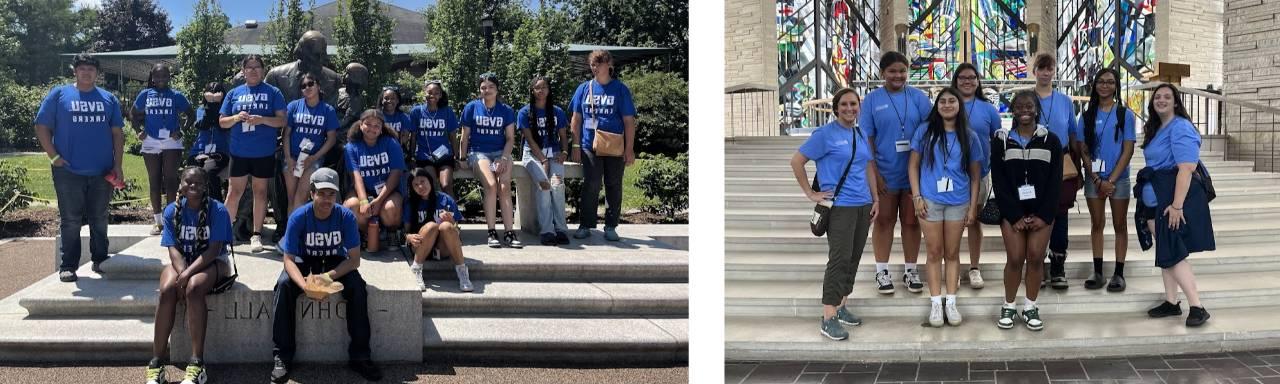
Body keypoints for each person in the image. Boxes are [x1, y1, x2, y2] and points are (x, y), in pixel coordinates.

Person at [271, 167, 381, 383]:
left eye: (331, 194)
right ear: (312, 193)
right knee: (283, 286)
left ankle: (360, 356)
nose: (326, 199)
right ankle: (282, 356)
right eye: (321, 193)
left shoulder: (346, 217)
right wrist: (305, 286)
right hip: (304, 262)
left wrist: (327, 278)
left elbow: (354, 260)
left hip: (333, 262)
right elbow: (288, 260)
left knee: (358, 288)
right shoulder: (298, 217)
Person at [790, 87, 878, 341]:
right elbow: (796, 161)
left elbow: (868, 167)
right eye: (844, 105)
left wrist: (876, 198)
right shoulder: (824, 135)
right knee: (839, 260)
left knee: (853, 259)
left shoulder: (859, 133)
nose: (850, 109)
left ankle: (841, 306)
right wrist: (811, 193)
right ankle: (828, 317)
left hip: (863, 205)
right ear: (836, 108)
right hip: (839, 207)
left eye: (854, 104)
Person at [35, 53, 125, 283]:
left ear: (97, 73)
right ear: (75, 70)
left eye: (91, 69)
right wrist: (53, 157)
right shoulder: (59, 94)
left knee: (99, 218)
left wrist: (118, 165)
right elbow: (41, 126)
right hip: (68, 171)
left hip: (102, 171)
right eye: (82, 68)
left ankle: (100, 259)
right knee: (71, 219)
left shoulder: (108, 99)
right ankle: (68, 265)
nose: (87, 72)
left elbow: (117, 133)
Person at [146, 167, 232, 384]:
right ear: (181, 185)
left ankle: (196, 364)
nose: (193, 186)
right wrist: (182, 272)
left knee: (193, 288)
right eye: (188, 182)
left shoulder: (218, 210)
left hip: (214, 263)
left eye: (198, 183)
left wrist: (186, 275)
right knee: (166, 290)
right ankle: (156, 364)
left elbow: (214, 251)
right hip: (182, 262)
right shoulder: (171, 211)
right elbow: (172, 248)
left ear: (205, 186)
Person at [1137, 83, 1213, 327]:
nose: (1161, 100)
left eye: (1167, 97)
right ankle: (1171, 302)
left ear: (1176, 102)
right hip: (1156, 195)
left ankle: (1197, 306)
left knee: (1174, 250)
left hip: (1172, 197)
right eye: (1157, 97)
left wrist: (1177, 206)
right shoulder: (1158, 127)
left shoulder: (1180, 127)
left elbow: (1187, 168)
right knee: (1166, 249)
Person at [908, 88, 984, 327]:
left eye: (952, 101)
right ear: (936, 105)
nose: (948, 105)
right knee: (933, 252)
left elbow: (975, 176)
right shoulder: (924, 131)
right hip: (930, 200)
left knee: (951, 253)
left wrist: (972, 207)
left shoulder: (969, 136)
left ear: (959, 105)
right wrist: (916, 196)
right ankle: (935, 302)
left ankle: (951, 302)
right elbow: (913, 166)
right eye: (943, 101)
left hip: (958, 201)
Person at [990, 91, 1063, 331]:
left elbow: (1055, 181)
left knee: (1035, 258)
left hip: (1042, 212)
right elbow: (999, 181)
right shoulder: (1000, 140)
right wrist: (1014, 215)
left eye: (1029, 105)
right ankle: (1009, 305)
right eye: (1019, 106)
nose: (1024, 110)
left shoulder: (1051, 140)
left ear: (1036, 109)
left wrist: (1043, 215)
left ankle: (1030, 306)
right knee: (1014, 259)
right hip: (1013, 213)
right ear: (1012, 109)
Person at [862, 51, 933, 294]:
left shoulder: (918, 98)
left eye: (902, 71)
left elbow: (931, 131)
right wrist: (875, 172)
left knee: (912, 222)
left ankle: (910, 270)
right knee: (884, 221)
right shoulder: (872, 100)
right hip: (885, 171)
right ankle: (882, 271)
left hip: (914, 173)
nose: (898, 75)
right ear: (882, 73)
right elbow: (867, 138)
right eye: (892, 71)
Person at [219, 54, 287, 253]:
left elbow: (282, 120)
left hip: (263, 152)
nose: (254, 70)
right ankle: (223, 234)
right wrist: (236, 117)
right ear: (243, 71)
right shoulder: (234, 93)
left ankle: (256, 235)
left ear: (263, 70)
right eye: (249, 67)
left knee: (260, 192)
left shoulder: (273, 92)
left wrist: (263, 120)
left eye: (257, 66)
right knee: (233, 193)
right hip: (239, 151)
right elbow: (222, 122)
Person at [1077, 68, 1136, 292]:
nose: (1105, 85)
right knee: (1097, 224)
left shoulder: (1125, 114)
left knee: (1120, 225)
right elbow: (1083, 150)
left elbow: (1128, 150)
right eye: (1101, 81)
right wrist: (1096, 178)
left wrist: (1110, 180)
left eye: (1110, 82)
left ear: (1116, 86)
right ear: (1095, 85)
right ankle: (1098, 271)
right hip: (1094, 178)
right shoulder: (1087, 115)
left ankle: (1118, 274)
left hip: (1118, 179)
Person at [570, 50, 637, 242]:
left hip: (614, 145)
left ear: (609, 65)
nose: (595, 67)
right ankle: (586, 224)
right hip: (589, 145)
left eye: (598, 63)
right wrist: (575, 145)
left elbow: (629, 121)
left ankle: (610, 226)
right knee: (591, 184)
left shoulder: (620, 89)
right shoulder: (584, 88)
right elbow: (576, 119)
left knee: (613, 185)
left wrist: (629, 149)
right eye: (592, 64)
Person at [1032, 53, 1083, 290]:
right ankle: (1036, 265)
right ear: (1034, 72)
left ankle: (1058, 265)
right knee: (1034, 211)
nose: (1045, 73)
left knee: (1060, 213)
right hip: (1033, 161)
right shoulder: (1026, 98)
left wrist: (1079, 165)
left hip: (1061, 160)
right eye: (1041, 69)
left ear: (1054, 71)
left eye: (1049, 68)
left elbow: (1073, 133)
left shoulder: (1064, 101)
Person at [459, 73, 523, 248]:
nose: (487, 90)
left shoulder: (506, 110)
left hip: (500, 153)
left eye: (491, 87)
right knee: (491, 184)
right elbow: (465, 136)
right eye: (483, 87)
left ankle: (509, 232)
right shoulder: (471, 107)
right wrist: (462, 158)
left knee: (504, 185)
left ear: (497, 89)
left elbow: (510, 138)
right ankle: (491, 231)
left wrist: (503, 158)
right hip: (478, 153)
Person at [951, 63, 1001, 289]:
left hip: (979, 175)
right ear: (955, 80)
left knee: (973, 221)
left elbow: (998, 142)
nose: (967, 81)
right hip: (951, 175)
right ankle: (952, 266)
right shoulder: (948, 104)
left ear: (978, 81)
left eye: (972, 77)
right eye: (962, 77)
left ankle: (974, 268)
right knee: (952, 222)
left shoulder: (988, 109)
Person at [132, 64, 196, 236]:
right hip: (150, 140)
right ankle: (157, 222)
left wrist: (182, 131)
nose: (160, 80)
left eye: (164, 76)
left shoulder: (176, 96)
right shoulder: (145, 94)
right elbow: (133, 115)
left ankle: (170, 220)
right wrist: (139, 131)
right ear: (152, 78)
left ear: (169, 77)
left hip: (171, 141)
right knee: (154, 180)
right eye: (157, 77)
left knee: (170, 180)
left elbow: (192, 114)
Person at [519, 75, 572, 245]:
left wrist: (564, 152)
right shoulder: (525, 112)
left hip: (554, 153)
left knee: (557, 186)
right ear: (532, 91)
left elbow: (563, 135)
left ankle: (561, 229)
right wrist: (543, 159)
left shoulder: (557, 112)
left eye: (544, 87)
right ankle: (547, 230)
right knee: (544, 185)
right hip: (533, 154)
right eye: (537, 88)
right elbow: (529, 139)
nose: (541, 91)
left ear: (549, 90)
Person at [343, 110, 405, 252]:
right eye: (368, 124)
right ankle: (367, 234)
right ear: (360, 125)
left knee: (390, 208)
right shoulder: (351, 147)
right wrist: (364, 201)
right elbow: (356, 176)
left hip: (387, 190)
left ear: (382, 128)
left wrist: (379, 200)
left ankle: (391, 232)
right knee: (353, 206)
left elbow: (396, 173)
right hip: (364, 189)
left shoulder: (391, 143)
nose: (372, 128)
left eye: (377, 125)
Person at [404, 167, 471, 292]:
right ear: (412, 188)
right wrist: (408, 237)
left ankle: (462, 272)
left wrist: (452, 223)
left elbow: (457, 232)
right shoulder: (411, 203)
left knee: (446, 226)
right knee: (431, 226)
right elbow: (403, 233)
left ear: (430, 180)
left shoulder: (445, 200)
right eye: (416, 185)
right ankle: (417, 268)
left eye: (422, 181)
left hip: (441, 249)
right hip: (420, 246)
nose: (420, 186)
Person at [283, 73, 341, 213]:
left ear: (318, 86)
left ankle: (295, 232)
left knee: (301, 196)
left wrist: (314, 158)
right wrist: (289, 159)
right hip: (293, 157)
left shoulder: (328, 110)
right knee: (291, 198)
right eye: (303, 86)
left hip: (313, 158)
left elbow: (331, 138)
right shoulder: (293, 106)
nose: (307, 87)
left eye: (310, 84)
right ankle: (292, 231)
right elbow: (286, 134)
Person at [408, 80, 459, 196]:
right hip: (425, 156)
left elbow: (452, 136)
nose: (432, 95)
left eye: (436, 93)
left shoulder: (447, 111)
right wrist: (411, 157)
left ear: (440, 95)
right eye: (429, 92)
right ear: (424, 93)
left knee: (446, 185)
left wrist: (457, 157)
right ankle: (433, 213)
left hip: (444, 156)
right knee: (430, 186)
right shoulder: (416, 112)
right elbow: (413, 137)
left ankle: (453, 213)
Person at [188, 82, 230, 201]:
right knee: (194, 173)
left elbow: (221, 125)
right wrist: (210, 105)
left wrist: (215, 104)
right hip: (199, 151)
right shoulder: (201, 110)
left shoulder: (227, 111)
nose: (213, 94)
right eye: (210, 92)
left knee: (211, 174)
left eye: (216, 92)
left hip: (219, 152)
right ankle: (195, 205)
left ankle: (216, 206)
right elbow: (204, 125)